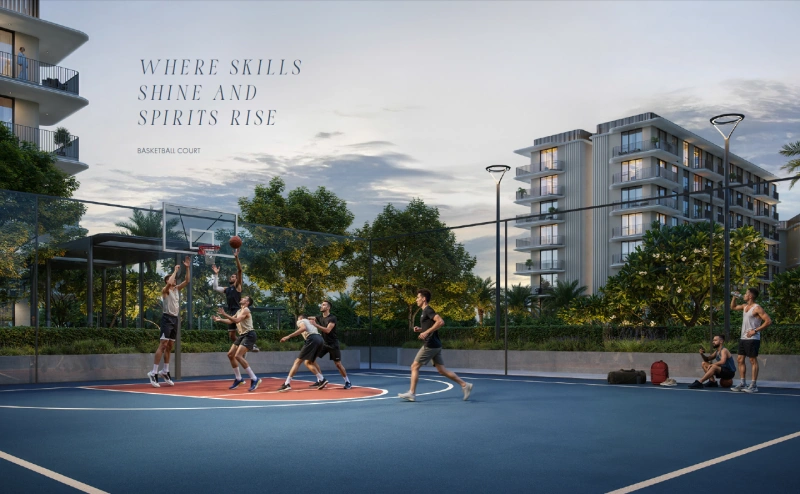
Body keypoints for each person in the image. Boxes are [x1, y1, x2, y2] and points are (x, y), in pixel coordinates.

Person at [398, 289, 473, 402]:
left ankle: (412, 393)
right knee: (442, 370)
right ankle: (464, 385)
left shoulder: (428, 310)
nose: (416, 299)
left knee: (414, 366)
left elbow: (440, 322)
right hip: (435, 344)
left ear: (424, 299)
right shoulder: (424, 311)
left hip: (430, 344)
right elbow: (431, 326)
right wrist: (421, 330)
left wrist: (426, 332)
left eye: (418, 297)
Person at [147, 256, 190, 387]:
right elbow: (170, 281)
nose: (174, 280)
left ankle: (165, 370)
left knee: (170, 346)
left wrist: (187, 268)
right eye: (171, 279)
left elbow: (187, 281)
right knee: (163, 344)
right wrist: (175, 271)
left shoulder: (176, 289)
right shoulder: (165, 291)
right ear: (167, 281)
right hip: (166, 318)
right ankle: (153, 372)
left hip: (175, 319)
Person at [211, 249, 259, 352]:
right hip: (231, 311)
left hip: (238, 310)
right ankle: (245, 349)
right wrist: (216, 274)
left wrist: (236, 257)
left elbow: (240, 271)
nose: (231, 277)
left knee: (243, 332)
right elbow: (215, 287)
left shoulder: (237, 287)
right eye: (231, 276)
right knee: (232, 336)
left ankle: (251, 344)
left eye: (233, 277)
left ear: (236, 279)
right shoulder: (227, 289)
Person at [213, 295, 261, 392]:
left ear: (247, 302)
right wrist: (220, 319)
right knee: (230, 355)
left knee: (238, 356)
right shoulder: (239, 311)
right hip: (242, 335)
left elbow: (237, 320)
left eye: (244, 298)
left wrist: (224, 314)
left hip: (249, 335)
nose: (242, 298)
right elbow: (231, 321)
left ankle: (255, 379)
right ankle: (239, 379)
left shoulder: (246, 310)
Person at [730, 288, 772, 393]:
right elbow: (733, 307)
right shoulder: (745, 307)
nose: (744, 295)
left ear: (750, 296)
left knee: (753, 360)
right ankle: (743, 383)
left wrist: (755, 330)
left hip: (753, 338)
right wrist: (734, 297)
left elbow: (768, 321)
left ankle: (753, 385)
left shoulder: (757, 308)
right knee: (740, 359)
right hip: (743, 337)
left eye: (746, 293)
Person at [277, 315, 327, 392]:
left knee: (297, 361)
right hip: (320, 340)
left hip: (312, 339)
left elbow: (303, 328)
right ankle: (321, 380)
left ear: (300, 318)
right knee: (311, 362)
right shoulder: (310, 322)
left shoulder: (301, 320)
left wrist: (288, 336)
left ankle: (287, 384)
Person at [309, 300, 352, 389]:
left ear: (328, 308)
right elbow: (310, 318)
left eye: (324, 305)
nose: (321, 306)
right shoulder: (319, 317)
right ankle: (320, 380)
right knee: (311, 359)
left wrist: (316, 325)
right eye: (321, 304)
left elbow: (328, 330)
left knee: (338, 364)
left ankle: (347, 381)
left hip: (333, 344)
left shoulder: (332, 318)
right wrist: (302, 319)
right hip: (323, 344)